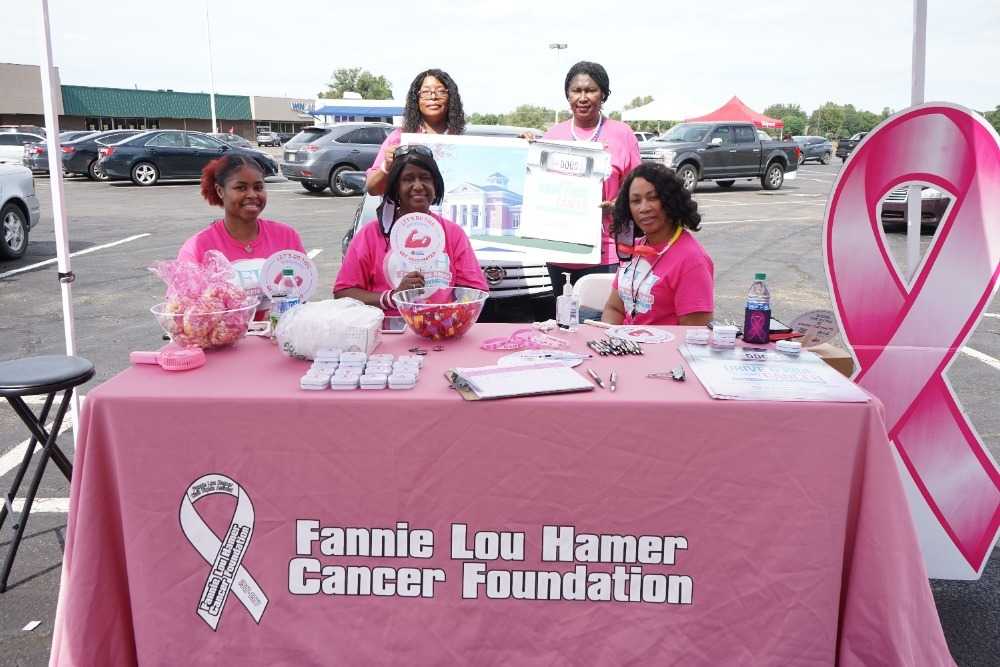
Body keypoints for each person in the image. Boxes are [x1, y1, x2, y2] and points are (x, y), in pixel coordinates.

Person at [335, 146, 487, 314]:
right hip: (387, 334)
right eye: (408, 179)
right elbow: (343, 293)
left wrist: (448, 316)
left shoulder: (452, 233)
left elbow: (475, 290)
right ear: (395, 188)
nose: (418, 186)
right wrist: (392, 297)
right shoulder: (370, 234)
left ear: (435, 185)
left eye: (425, 178)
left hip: (440, 335)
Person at [542, 61, 641, 304]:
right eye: (577, 91)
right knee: (565, 323)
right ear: (568, 95)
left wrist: (619, 205)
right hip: (560, 252)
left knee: (599, 323)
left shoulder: (622, 134)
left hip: (606, 252)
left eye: (591, 90)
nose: (583, 97)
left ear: (604, 94)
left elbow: (639, 191)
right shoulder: (552, 136)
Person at [601, 163, 714, 326]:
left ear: (670, 200)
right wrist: (611, 339)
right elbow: (614, 309)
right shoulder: (633, 249)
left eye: (652, 198)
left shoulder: (693, 261)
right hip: (626, 346)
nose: (643, 208)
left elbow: (694, 336)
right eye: (635, 201)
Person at [365, 69, 466, 196]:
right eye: (425, 92)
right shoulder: (398, 138)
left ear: (450, 97)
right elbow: (373, 189)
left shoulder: (463, 143)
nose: (433, 97)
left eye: (440, 91)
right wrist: (387, 166)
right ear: (416, 99)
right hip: (407, 216)